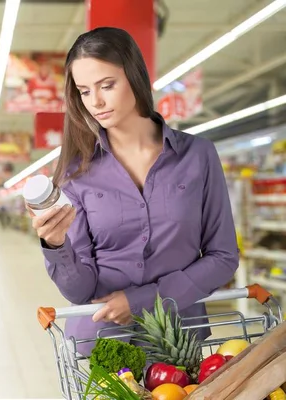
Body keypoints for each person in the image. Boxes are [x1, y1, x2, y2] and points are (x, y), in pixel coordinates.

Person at [28, 27, 239, 356]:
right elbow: (80, 290)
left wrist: (143, 300)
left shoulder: (198, 156)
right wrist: (55, 246)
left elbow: (223, 257)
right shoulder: (77, 174)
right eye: (84, 91)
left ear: (135, 76)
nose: (95, 101)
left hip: (178, 341)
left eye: (107, 85)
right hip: (105, 345)